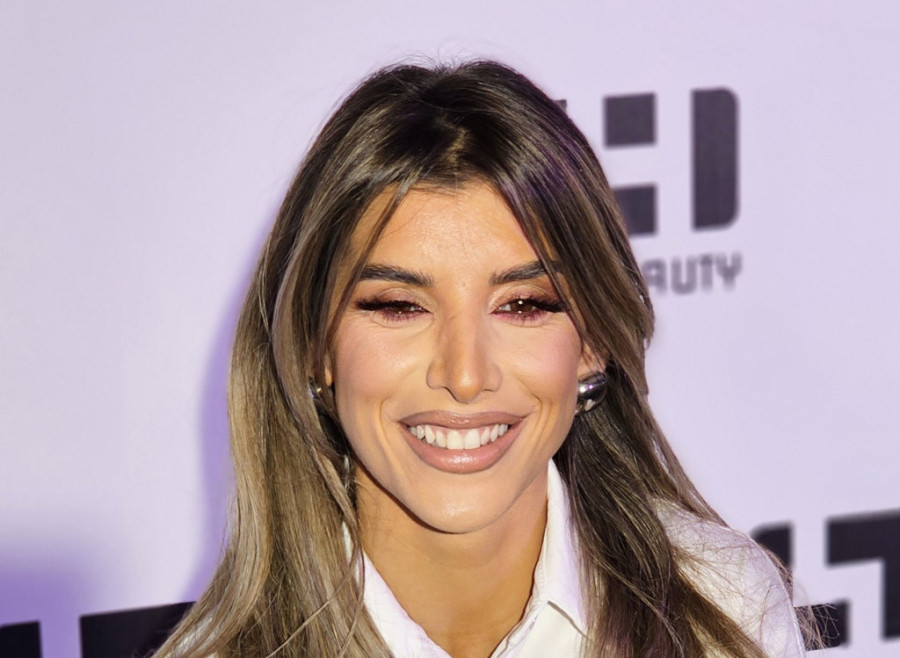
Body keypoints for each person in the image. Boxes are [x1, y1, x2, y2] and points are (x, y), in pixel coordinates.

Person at [155, 60, 816, 657]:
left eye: (523, 305)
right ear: (313, 345)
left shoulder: (723, 612)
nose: (466, 376)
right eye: (400, 306)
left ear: (593, 343)